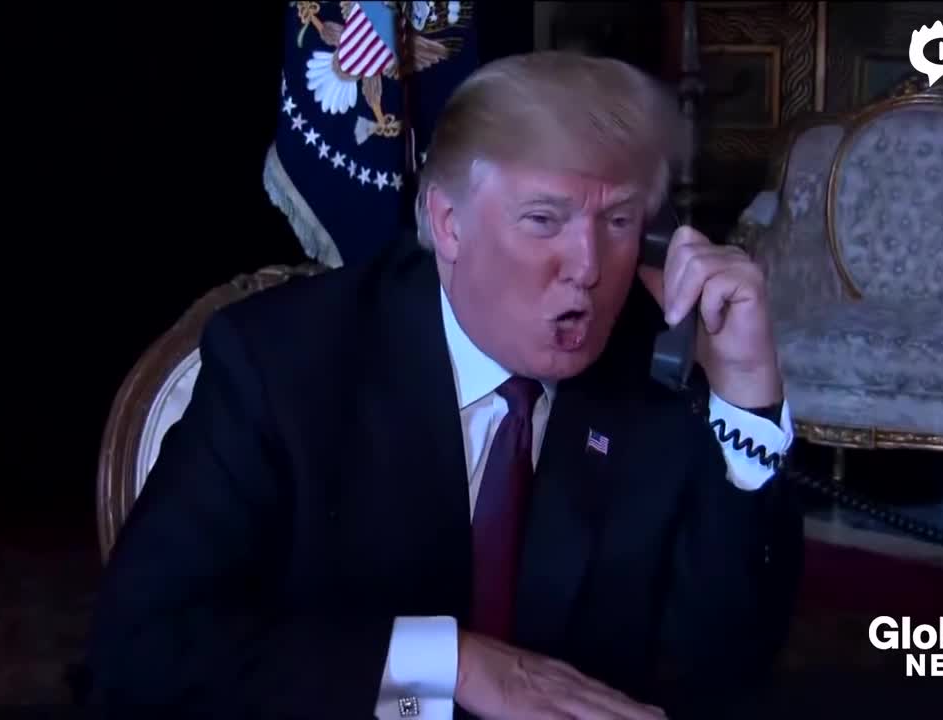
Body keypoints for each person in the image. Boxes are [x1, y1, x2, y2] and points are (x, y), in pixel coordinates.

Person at [87, 51, 803, 719]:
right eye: (544, 220)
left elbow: (723, 666)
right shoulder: (283, 362)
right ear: (449, 223)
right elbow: (140, 648)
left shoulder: (655, 365)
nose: (587, 266)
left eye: (618, 221)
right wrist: (446, 665)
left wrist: (744, 392)